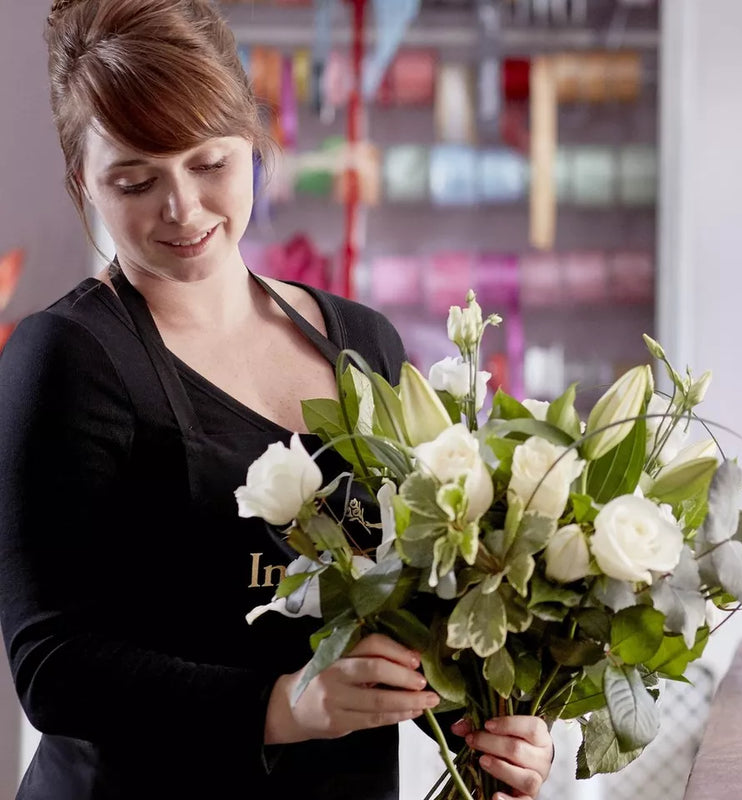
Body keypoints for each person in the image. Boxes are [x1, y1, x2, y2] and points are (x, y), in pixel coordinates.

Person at [0, 1, 554, 798]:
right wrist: (285, 705)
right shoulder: (69, 359)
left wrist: (501, 723)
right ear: (82, 178)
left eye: (209, 163)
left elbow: (428, 600)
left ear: (256, 142)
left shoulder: (361, 343)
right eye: (135, 179)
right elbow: (52, 668)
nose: (182, 208)